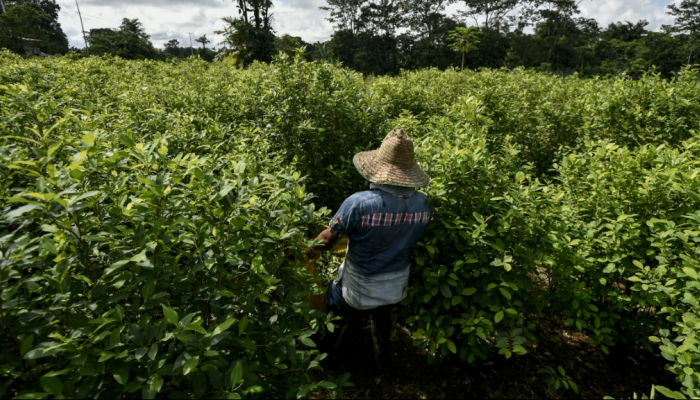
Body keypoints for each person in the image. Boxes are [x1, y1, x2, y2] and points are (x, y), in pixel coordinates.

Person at [306, 129, 432, 367]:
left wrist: (310, 248)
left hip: (358, 289)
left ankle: (323, 356)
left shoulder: (360, 203)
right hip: (396, 286)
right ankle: (382, 357)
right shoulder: (424, 204)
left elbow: (328, 240)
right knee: (383, 313)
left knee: (333, 308)